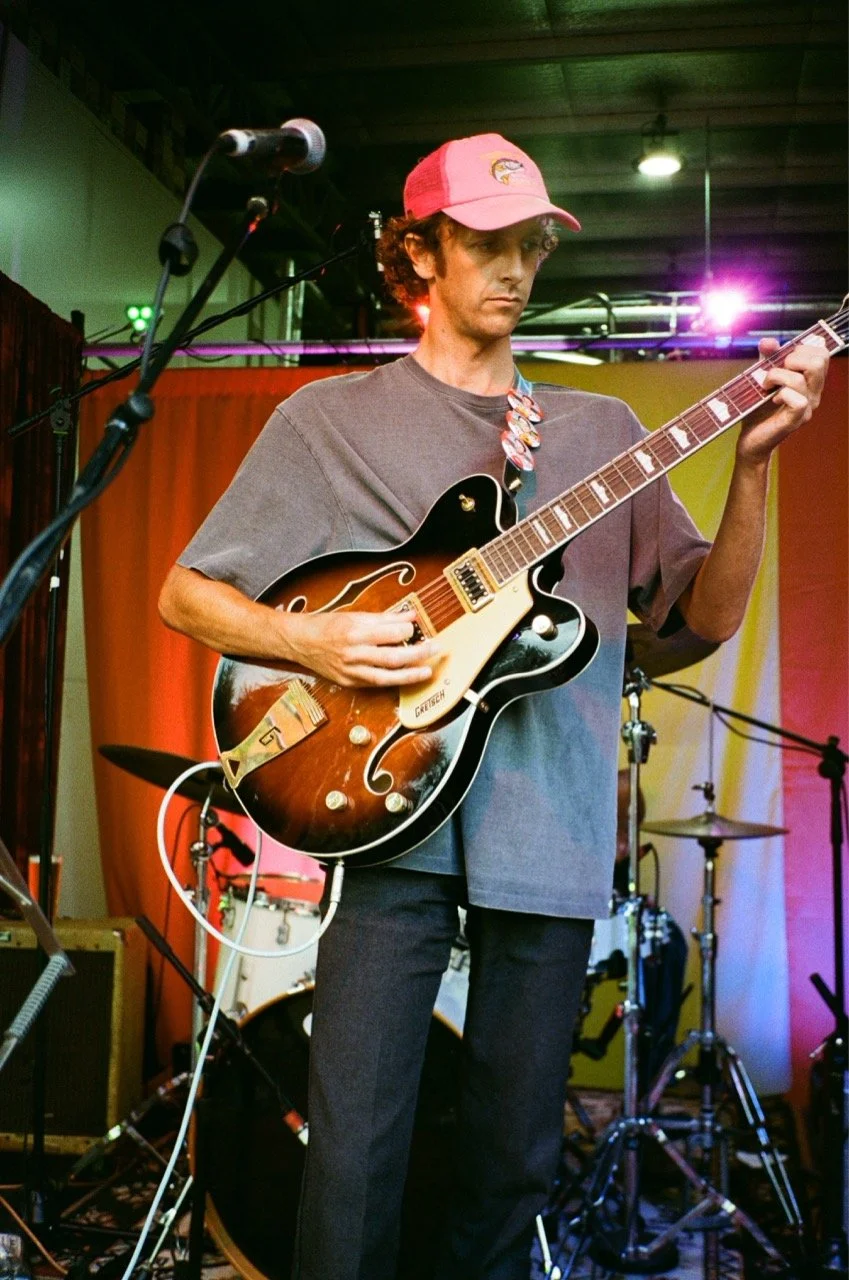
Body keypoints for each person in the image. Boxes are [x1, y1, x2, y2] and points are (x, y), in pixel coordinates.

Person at [158, 133, 828, 1279]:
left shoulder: (601, 434)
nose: (513, 267)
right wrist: (307, 635)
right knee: (352, 1156)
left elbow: (699, 621)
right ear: (418, 251)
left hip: (552, 833)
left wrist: (756, 465)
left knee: (514, 1163)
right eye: (483, 242)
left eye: (529, 244)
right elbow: (188, 590)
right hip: (386, 818)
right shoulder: (330, 421)